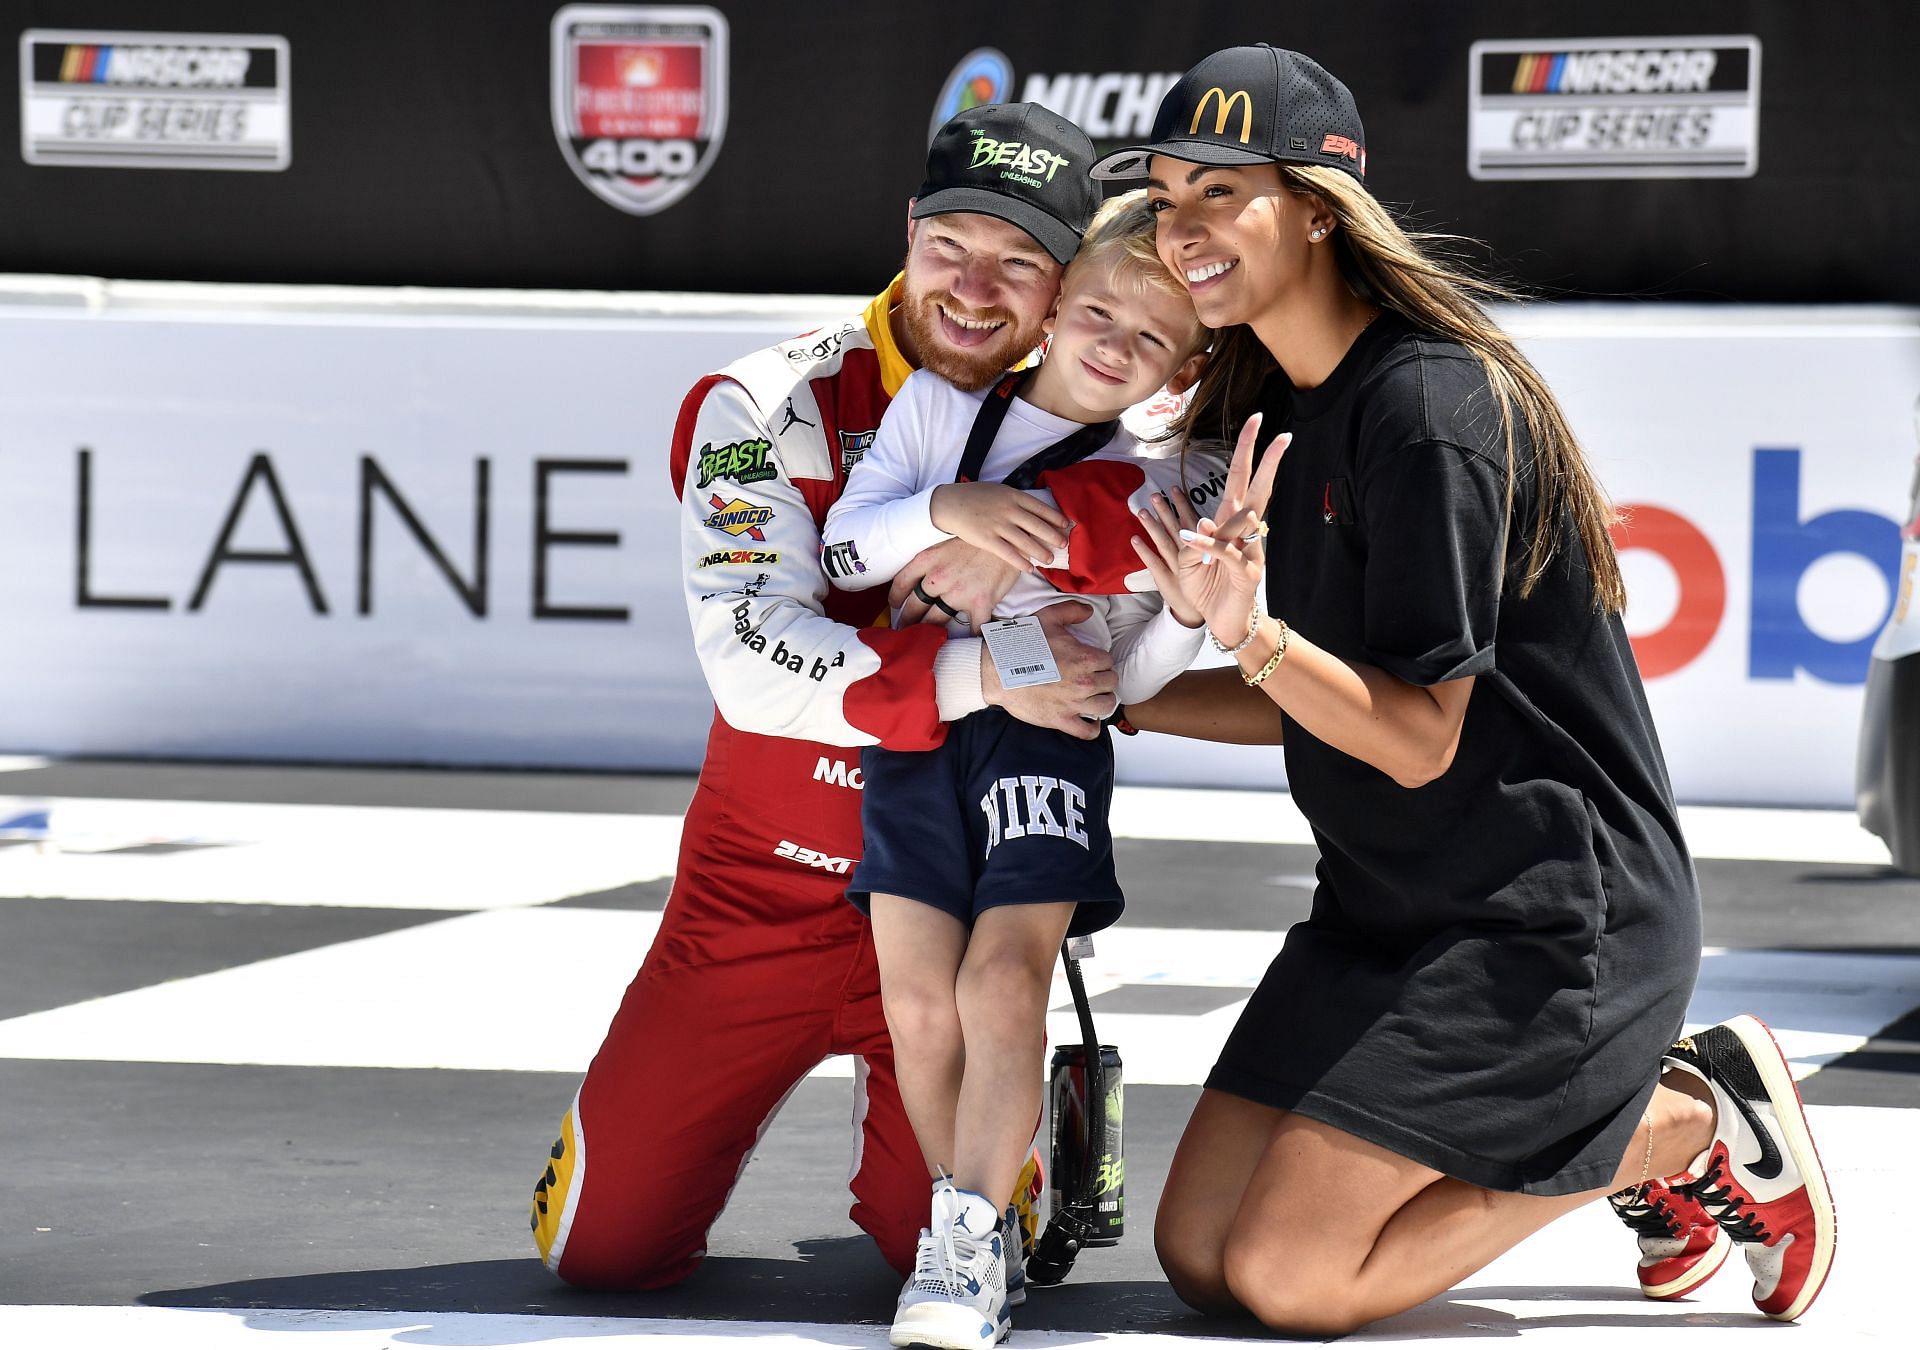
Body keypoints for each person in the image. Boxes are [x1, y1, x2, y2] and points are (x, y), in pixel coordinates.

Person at [1096, 45, 1837, 1334]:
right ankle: (1605, 1113)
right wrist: (1119, 699)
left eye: (1222, 191)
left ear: (1319, 207)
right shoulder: (1281, 401)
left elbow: (1422, 738)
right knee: (1199, 1253)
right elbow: (1317, 697)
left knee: (1291, 1280)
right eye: (1165, 199)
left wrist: (1254, 636)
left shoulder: (1430, 408)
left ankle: (1682, 1121)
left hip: (1546, 922)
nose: (1184, 228)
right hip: (1385, 907)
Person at [530, 102, 1161, 1292]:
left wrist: (1048, 539)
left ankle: (1020, 1139)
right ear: (908, 228)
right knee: (597, 1254)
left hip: (961, 897)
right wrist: (984, 666)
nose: (978, 290)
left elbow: (1158, 550)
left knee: (978, 1252)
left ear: (1066, 280)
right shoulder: (757, 403)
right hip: (759, 884)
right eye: (953, 248)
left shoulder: (1101, 404)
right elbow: (751, 658)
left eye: (1022, 262)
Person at [821, 191, 1219, 1349]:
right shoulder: (940, 411)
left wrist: (1188, 614)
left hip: (1046, 736)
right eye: (1095, 311)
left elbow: (1131, 682)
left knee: (1001, 986)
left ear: (1182, 371)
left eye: (1150, 339)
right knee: (913, 1005)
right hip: (917, 733)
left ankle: (960, 1244)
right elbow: (847, 550)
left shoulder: (1163, 480)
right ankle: (976, 1226)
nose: (1111, 344)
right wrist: (952, 513)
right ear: (1051, 311)